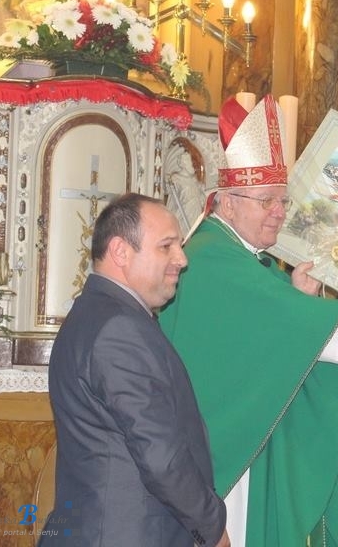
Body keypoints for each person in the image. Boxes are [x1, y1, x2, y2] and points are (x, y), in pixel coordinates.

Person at [159, 94, 338, 547]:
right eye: (266, 201)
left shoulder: (241, 257)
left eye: (283, 201)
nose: (280, 212)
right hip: (221, 449)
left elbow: (269, 324)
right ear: (226, 202)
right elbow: (281, 323)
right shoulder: (212, 258)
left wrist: (294, 295)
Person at [40, 193, 229, 547]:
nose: (182, 258)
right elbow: (161, 455)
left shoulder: (101, 315)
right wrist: (212, 526)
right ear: (121, 252)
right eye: (166, 246)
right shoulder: (118, 328)